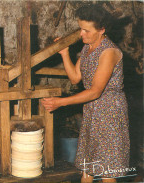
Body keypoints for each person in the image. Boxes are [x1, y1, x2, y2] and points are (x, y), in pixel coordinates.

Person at [41, 4, 130, 183]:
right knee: (87, 166)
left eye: (86, 30)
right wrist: (65, 54)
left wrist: (61, 102)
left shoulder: (109, 52)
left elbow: (95, 91)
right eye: (80, 29)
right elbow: (75, 78)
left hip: (109, 113)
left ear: (101, 30)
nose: (81, 34)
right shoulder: (87, 47)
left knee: (107, 170)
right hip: (92, 111)